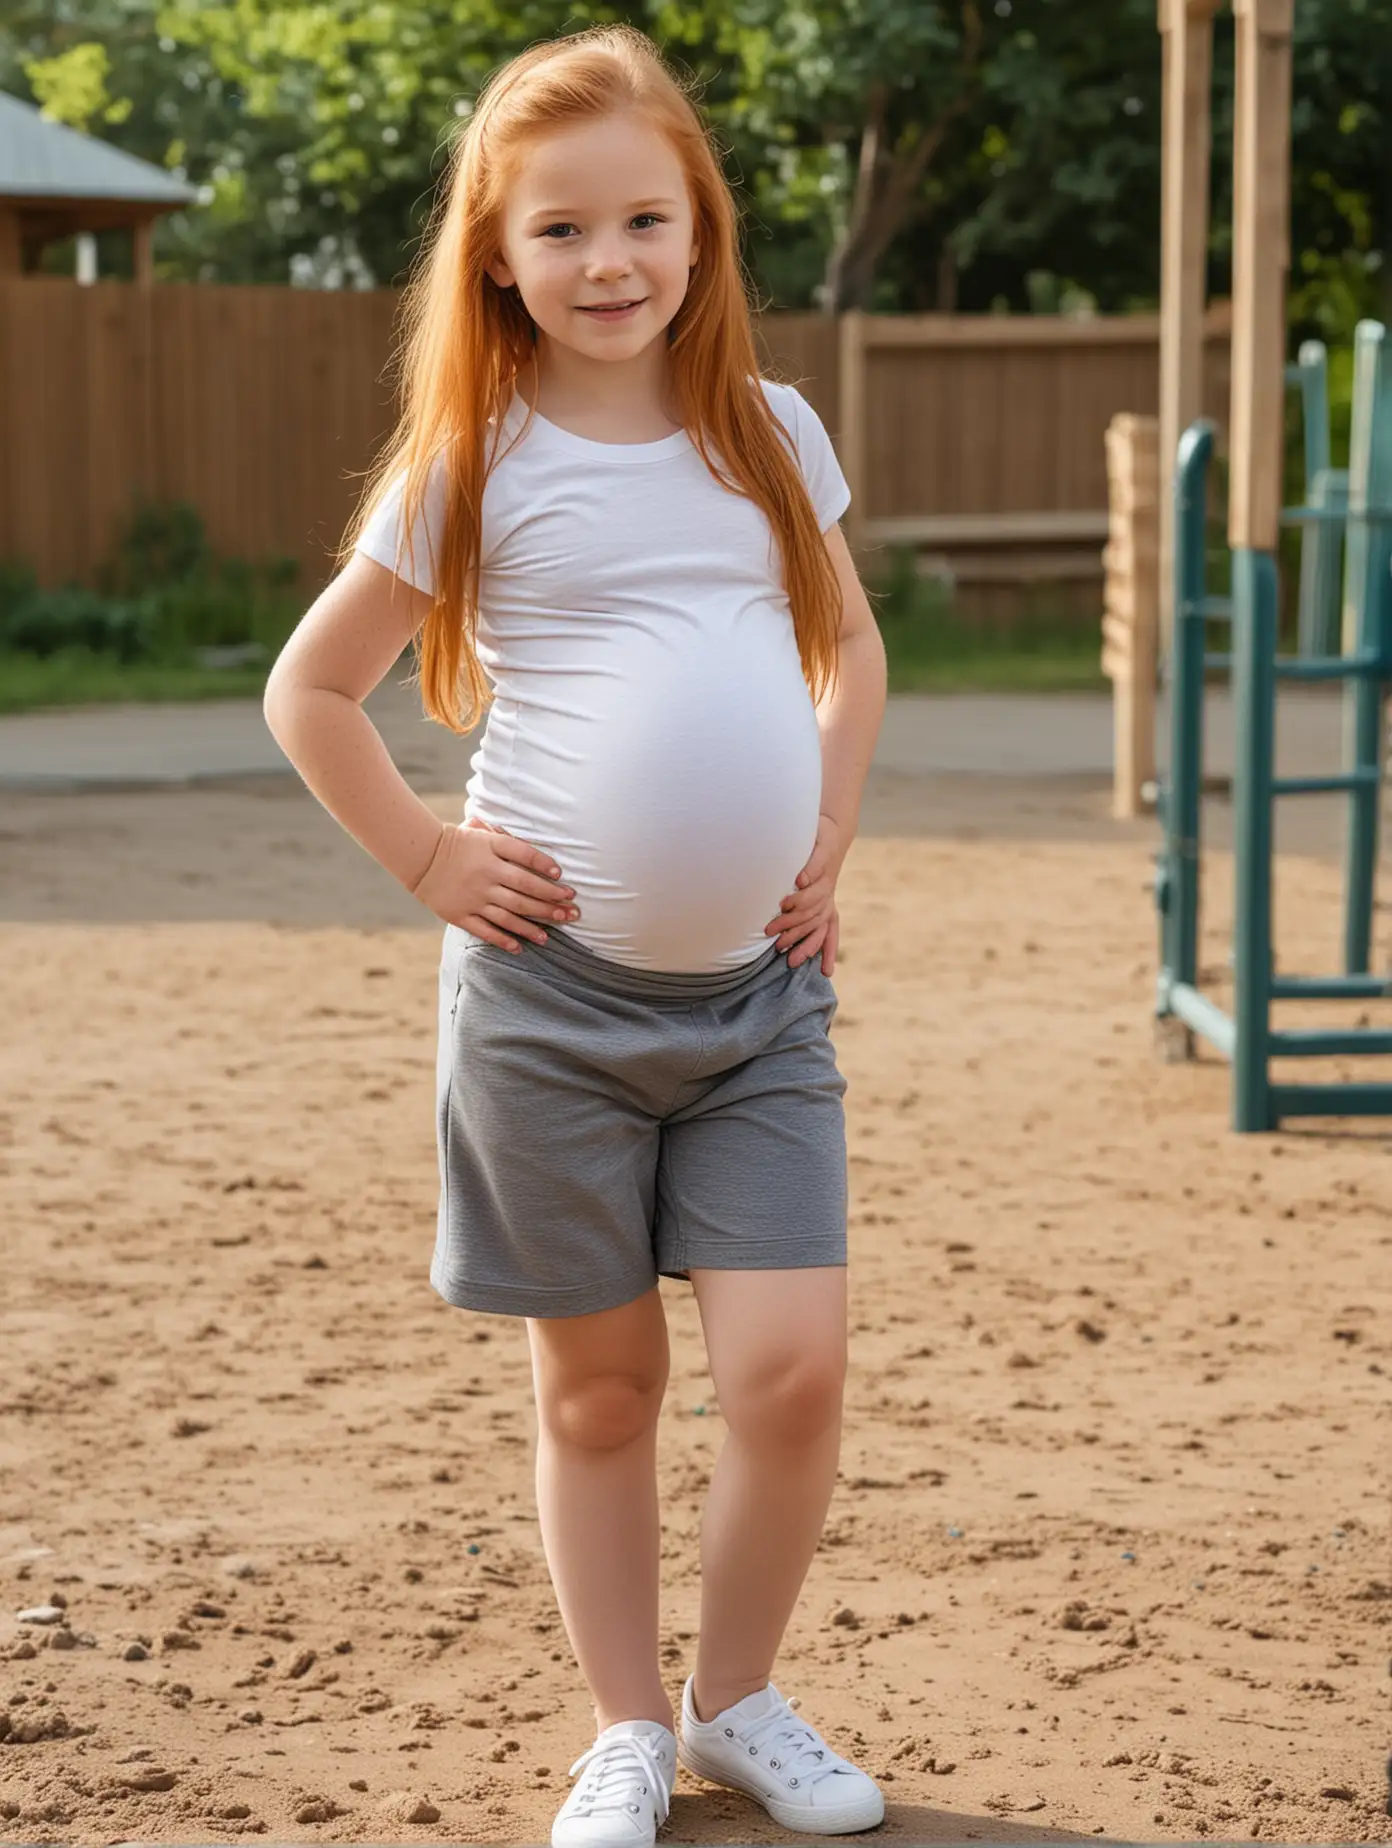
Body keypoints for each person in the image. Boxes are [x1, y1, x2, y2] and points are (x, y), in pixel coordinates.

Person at [263, 22, 887, 1847]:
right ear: (497, 257)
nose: (609, 262)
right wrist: (424, 854)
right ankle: (626, 1727)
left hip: (765, 1004)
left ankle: (739, 1700)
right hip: (549, 1012)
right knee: (605, 1392)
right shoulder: (472, 455)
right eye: (562, 232)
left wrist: (829, 826)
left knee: (792, 1371)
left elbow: (844, 650)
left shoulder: (768, 432)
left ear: (699, 230)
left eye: (646, 220)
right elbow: (314, 692)